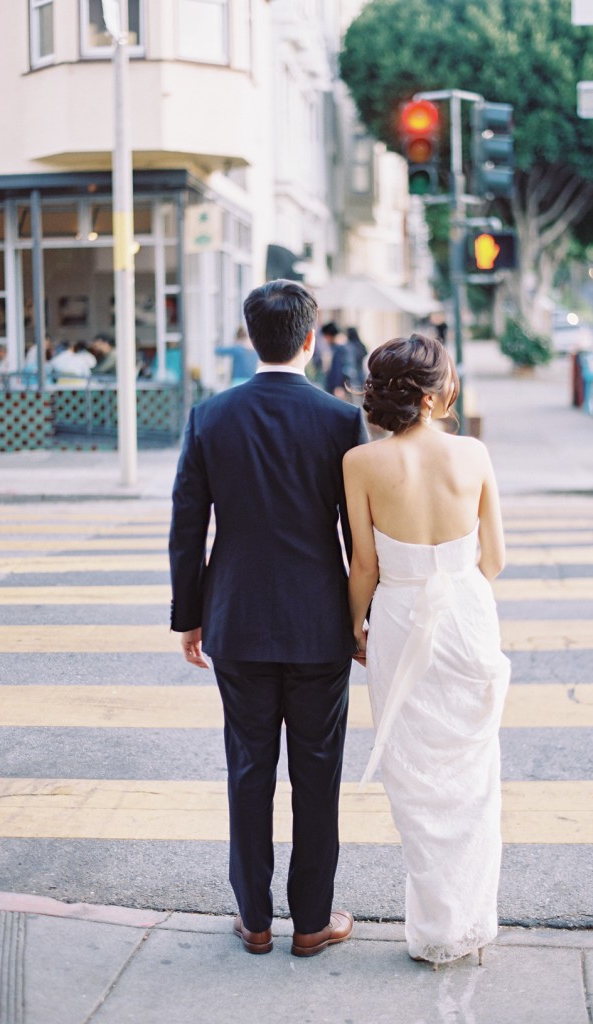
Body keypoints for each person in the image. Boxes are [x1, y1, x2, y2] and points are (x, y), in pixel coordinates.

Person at [170, 279, 369, 958]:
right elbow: (357, 539)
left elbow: (187, 527)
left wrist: (188, 617)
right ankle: (311, 922)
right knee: (317, 773)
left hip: (238, 619)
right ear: (311, 339)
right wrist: (361, 621)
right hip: (320, 624)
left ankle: (253, 918)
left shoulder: (209, 416)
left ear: (249, 337)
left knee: (249, 767)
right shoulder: (340, 421)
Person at [342, 333, 510, 967]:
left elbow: (363, 563)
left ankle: (435, 926)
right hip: (466, 614)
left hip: (398, 615)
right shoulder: (474, 455)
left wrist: (353, 625)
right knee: (471, 777)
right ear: (441, 394)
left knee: (412, 776)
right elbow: (493, 559)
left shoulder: (361, 463)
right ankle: (469, 922)